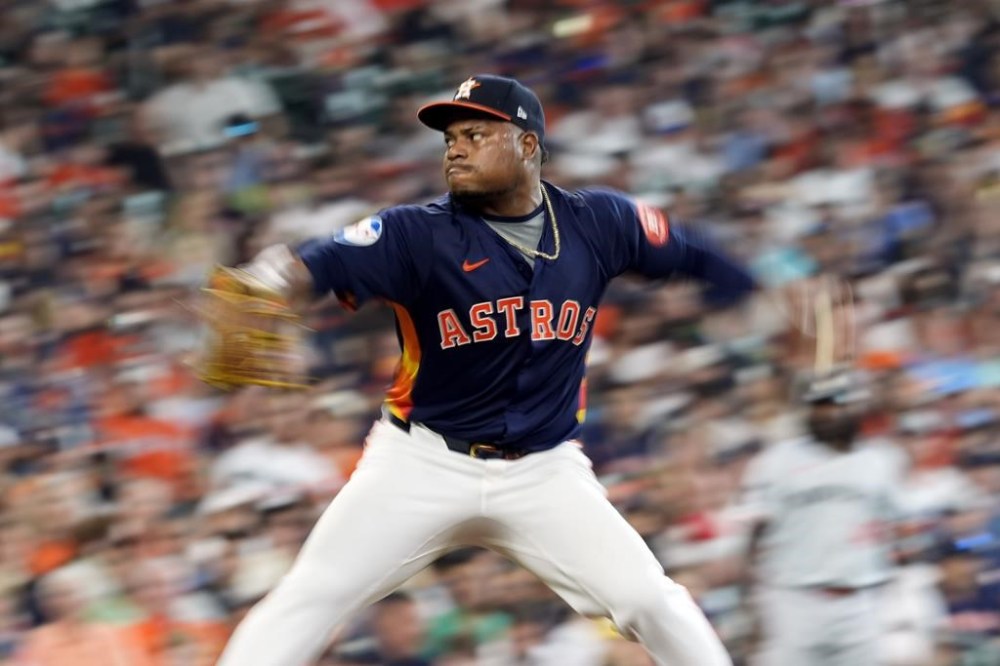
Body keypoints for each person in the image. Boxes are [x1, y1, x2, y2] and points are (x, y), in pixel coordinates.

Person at [215, 74, 763, 666]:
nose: (455, 147)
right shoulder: (416, 233)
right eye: (451, 137)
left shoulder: (597, 223)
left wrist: (765, 292)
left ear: (527, 145)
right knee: (309, 597)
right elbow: (318, 262)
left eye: (475, 133)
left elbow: (688, 252)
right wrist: (268, 276)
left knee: (650, 600)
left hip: (544, 471)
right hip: (420, 463)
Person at [740, 370, 906, 666]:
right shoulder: (776, 461)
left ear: (856, 406)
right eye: (818, 405)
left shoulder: (883, 459)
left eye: (835, 403)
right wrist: (756, 599)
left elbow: (898, 525)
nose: (826, 413)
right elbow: (754, 531)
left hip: (863, 598)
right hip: (794, 598)